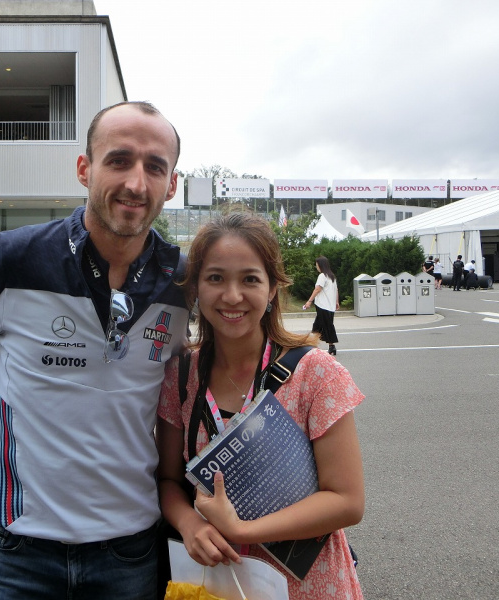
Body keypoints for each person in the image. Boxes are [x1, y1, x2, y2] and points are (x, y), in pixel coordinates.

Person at [0, 101, 188, 600]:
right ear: (85, 168)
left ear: (172, 184)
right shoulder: (19, 258)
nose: (135, 183)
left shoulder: (182, 281)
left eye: (155, 167)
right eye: (119, 160)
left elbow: (230, 371)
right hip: (19, 552)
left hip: (131, 552)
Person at [156, 212, 364, 600]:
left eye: (250, 279)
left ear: (271, 289)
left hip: (308, 583)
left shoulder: (314, 373)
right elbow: (168, 480)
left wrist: (243, 530)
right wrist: (190, 524)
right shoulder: (180, 376)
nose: (232, 296)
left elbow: (347, 501)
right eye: (215, 277)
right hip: (215, 578)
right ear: (196, 288)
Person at [303, 256, 339, 356]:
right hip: (329, 306)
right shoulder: (332, 276)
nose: (316, 266)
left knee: (326, 326)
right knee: (319, 326)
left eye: (317, 265)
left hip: (323, 305)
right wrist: (336, 302)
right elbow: (336, 290)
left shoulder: (322, 276)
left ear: (321, 265)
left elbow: (317, 289)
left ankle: (327, 346)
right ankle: (315, 346)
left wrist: (309, 301)